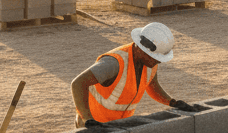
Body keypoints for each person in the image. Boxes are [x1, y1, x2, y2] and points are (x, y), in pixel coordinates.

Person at [70, 22, 199, 127]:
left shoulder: (150, 63)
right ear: (142, 50)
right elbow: (78, 83)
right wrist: (88, 120)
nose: (158, 61)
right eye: (155, 57)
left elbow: (153, 86)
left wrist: (172, 102)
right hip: (94, 125)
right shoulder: (113, 63)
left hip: (118, 125)